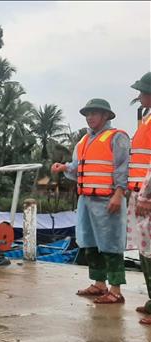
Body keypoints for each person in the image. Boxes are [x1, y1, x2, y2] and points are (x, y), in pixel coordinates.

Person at [51, 98, 130, 304]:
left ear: (105, 116)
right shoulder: (83, 141)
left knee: (111, 244)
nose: (89, 117)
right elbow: (78, 168)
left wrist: (119, 193)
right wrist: (65, 168)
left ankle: (115, 289)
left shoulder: (117, 137)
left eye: (94, 113)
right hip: (86, 199)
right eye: (87, 113)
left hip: (108, 198)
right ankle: (99, 283)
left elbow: (123, 168)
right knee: (89, 242)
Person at [126, 72, 151, 325]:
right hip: (140, 192)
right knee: (145, 250)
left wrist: (146, 195)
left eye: (143, 91)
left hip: (148, 195)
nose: (140, 95)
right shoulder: (146, 118)